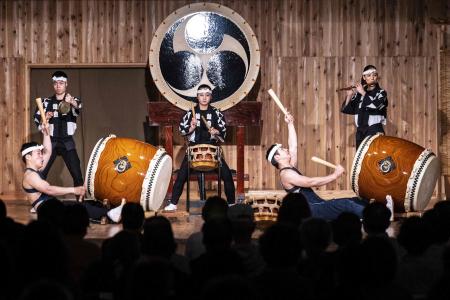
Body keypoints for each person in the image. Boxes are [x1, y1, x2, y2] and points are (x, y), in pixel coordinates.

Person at [266, 112, 369, 221]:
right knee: (348, 204)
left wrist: (290, 124)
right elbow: (311, 182)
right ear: (277, 158)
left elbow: (293, 147)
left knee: (355, 200)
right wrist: (335, 175)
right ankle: (376, 217)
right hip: (313, 209)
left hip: (317, 204)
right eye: (282, 150)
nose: (286, 149)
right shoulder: (286, 174)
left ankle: (375, 212)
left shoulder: (290, 167)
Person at [21, 125, 122, 222]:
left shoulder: (36, 171)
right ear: (28, 157)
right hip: (48, 212)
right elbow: (48, 189)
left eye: (41, 153)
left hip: (52, 207)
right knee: (79, 208)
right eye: (38, 154)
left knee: (87, 203)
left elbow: (48, 152)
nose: (42, 156)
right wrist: (74, 190)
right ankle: (110, 214)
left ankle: (110, 212)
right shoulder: (30, 176)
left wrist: (46, 132)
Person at [164, 84, 235, 211]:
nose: (204, 98)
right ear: (197, 97)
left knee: (227, 175)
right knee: (181, 175)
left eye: (207, 95)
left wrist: (216, 131)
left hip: (212, 150)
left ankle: (231, 203)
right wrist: (191, 127)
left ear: (210, 97)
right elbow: (182, 131)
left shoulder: (216, 113)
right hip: (193, 149)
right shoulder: (190, 113)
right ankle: (173, 203)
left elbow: (223, 130)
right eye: (201, 95)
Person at [33, 71, 83, 186]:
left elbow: (79, 106)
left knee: (77, 173)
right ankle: (38, 201)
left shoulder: (71, 100)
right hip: (50, 142)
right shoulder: (46, 102)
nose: (58, 86)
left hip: (67, 141)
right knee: (41, 171)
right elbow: (37, 119)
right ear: (53, 85)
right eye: (55, 83)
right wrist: (44, 118)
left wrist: (71, 102)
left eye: (61, 83)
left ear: (66, 84)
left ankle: (80, 202)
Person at [341, 65, 388, 149]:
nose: (372, 77)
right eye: (369, 75)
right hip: (360, 131)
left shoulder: (381, 93)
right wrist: (349, 95)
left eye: (374, 75)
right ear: (364, 77)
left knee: (374, 157)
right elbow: (346, 110)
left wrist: (362, 92)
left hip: (374, 129)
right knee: (361, 159)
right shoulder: (359, 94)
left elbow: (374, 106)